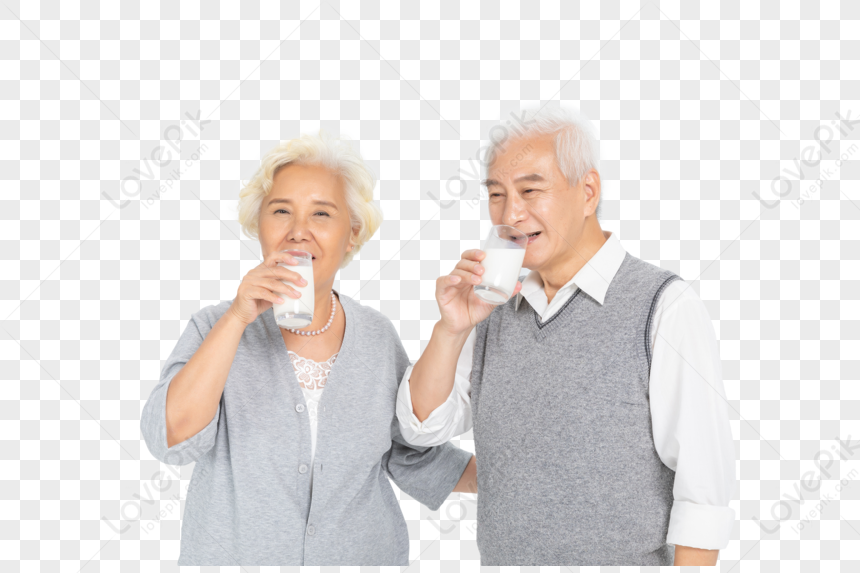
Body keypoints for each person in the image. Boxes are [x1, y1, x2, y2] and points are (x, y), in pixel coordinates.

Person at [396, 105, 736, 566]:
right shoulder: (491, 309)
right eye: (496, 194)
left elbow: (703, 491)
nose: (511, 214)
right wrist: (451, 328)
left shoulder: (665, 307)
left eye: (531, 190)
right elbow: (422, 427)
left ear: (588, 191)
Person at [140, 131, 476, 566]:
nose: (299, 232)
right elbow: (170, 440)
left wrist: (514, 476)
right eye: (281, 211)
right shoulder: (214, 326)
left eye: (322, 214)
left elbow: (409, 455)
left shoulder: (376, 336)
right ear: (258, 225)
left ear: (350, 234)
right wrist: (239, 317)